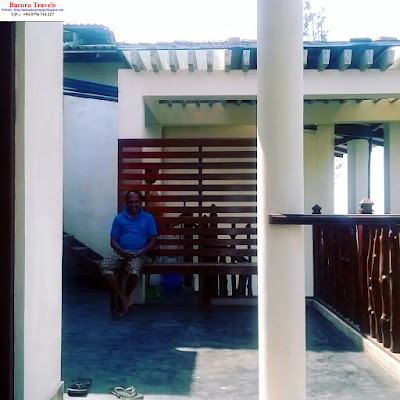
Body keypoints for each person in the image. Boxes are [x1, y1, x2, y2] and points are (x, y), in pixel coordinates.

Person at [99, 191, 158, 315]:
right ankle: (124, 298)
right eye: (130, 202)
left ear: (141, 202)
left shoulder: (148, 217)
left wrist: (144, 250)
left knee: (134, 271)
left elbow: (153, 239)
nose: (133, 205)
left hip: (138, 253)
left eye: (136, 202)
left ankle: (124, 298)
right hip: (120, 251)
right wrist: (121, 251)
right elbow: (113, 241)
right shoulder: (119, 218)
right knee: (104, 267)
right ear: (126, 203)